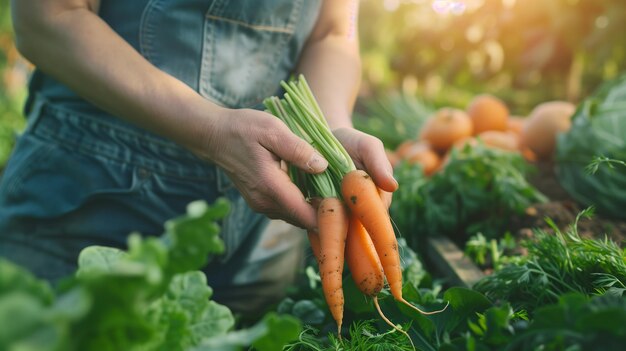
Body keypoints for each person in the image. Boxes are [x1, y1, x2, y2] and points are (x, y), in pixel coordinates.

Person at [0, 0, 397, 313]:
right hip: (89, 202)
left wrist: (329, 131)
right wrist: (211, 130)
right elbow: (46, 17)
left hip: (258, 240)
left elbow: (332, 32)